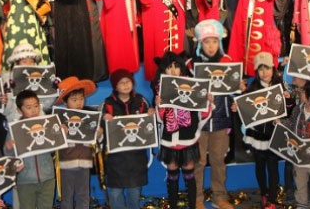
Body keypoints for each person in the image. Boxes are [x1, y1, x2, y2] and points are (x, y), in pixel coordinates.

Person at [152, 52, 212, 209]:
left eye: (176, 67)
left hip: (187, 139)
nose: (173, 71)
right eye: (169, 67)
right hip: (170, 140)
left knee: (189, 175)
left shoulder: (193, 87)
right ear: (163, 70)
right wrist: (159, 105)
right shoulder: (160, 89)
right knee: (172, 175)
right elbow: (160, 119)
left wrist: (207, 102)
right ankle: (173, 205)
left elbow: (202, 115)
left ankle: (192, 206)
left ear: (182, 69)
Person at [189, 19, 235, 209]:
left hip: (221, 119)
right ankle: (197, 198)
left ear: (219, 42)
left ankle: (219, 197)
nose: (211, 46)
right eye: (207, 42)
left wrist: (236, 100)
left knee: (218, 160)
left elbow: (233, 92)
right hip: (199, 122)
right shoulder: (191, 64)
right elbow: (186, 94)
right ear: (200, 43)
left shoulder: (227, 62)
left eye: (214, 41)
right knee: (198, 162)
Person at [233, 52, 287, 209]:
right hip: (257, 135)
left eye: (267, 68)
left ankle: (273, 198)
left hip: (274, 134)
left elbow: (289, 109)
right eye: (261, 69)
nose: (265, 72)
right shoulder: (252, 88)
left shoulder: (280, 86)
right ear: (256, 71)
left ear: (273, 69)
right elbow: (244, 107)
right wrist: (238, 105)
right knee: (260, 165)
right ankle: (264, 194)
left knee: (273, 167)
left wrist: (288, 99)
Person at [102, 70, 154, 209]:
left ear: (133, 83)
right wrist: (103, 119)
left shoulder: (141, 101)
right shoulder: (107, 104)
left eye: (128, 81)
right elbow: (99, 129)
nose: (125, 85)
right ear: (115, 86)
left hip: (136, 157)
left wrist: (150, 115)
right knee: (115, 193)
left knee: (134, 192)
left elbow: (149, 128)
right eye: (121, 82)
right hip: (115, 157)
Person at [140, 0, 185, 80]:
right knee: (159, 54)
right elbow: (145, 1)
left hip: (173, 25)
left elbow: (178, 4)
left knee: (174, 54)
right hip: (157, 27)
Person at [5, 90, 56, 209]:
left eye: (36, 106)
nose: (34, 110)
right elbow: (9, 156)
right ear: (19, 110)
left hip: (47, 177)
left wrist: (60, 133)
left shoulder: (47, 124)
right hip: (25, 179)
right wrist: (8, 148)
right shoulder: (15, 128)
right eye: (29, 107)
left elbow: (54, 149)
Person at [56, 76, 98, 209]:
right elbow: (53, 142)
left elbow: (97, 138)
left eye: (81, 99)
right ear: (65, 102)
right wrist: (60, 132)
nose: (79, 102)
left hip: (85, 161)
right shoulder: (59, 118)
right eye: (74, 100)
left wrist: (98, 132)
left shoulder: (89, 116)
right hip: (67, 162)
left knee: (83, 194)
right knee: (67, 196)